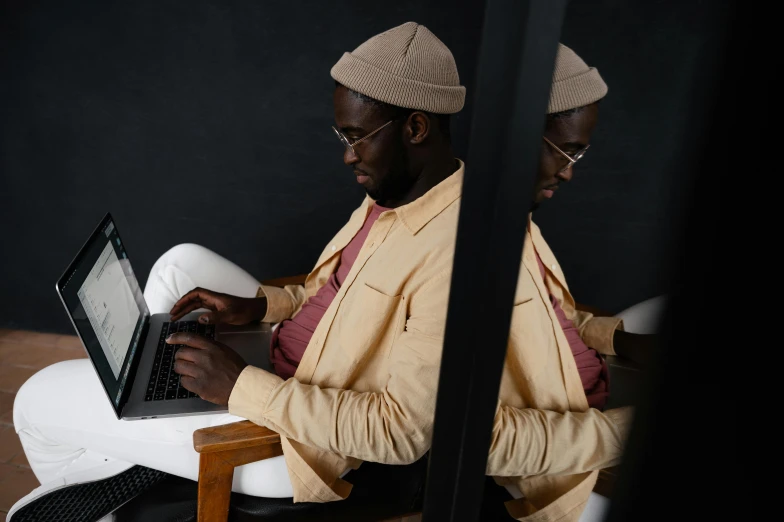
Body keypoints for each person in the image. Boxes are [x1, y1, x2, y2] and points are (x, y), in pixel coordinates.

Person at [11, 23, 643, 522]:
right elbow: (330, 287)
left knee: (36, 401)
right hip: (288, 366)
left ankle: (111, 472)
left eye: (357, 135)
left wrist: (237, 386)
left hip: (299, 438)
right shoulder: (395, 193)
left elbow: (401, 434)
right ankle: (135, 429)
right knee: (178, 266)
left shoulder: (456, 249)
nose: (346, 154)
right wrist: (257, 310)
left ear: (416, 127)